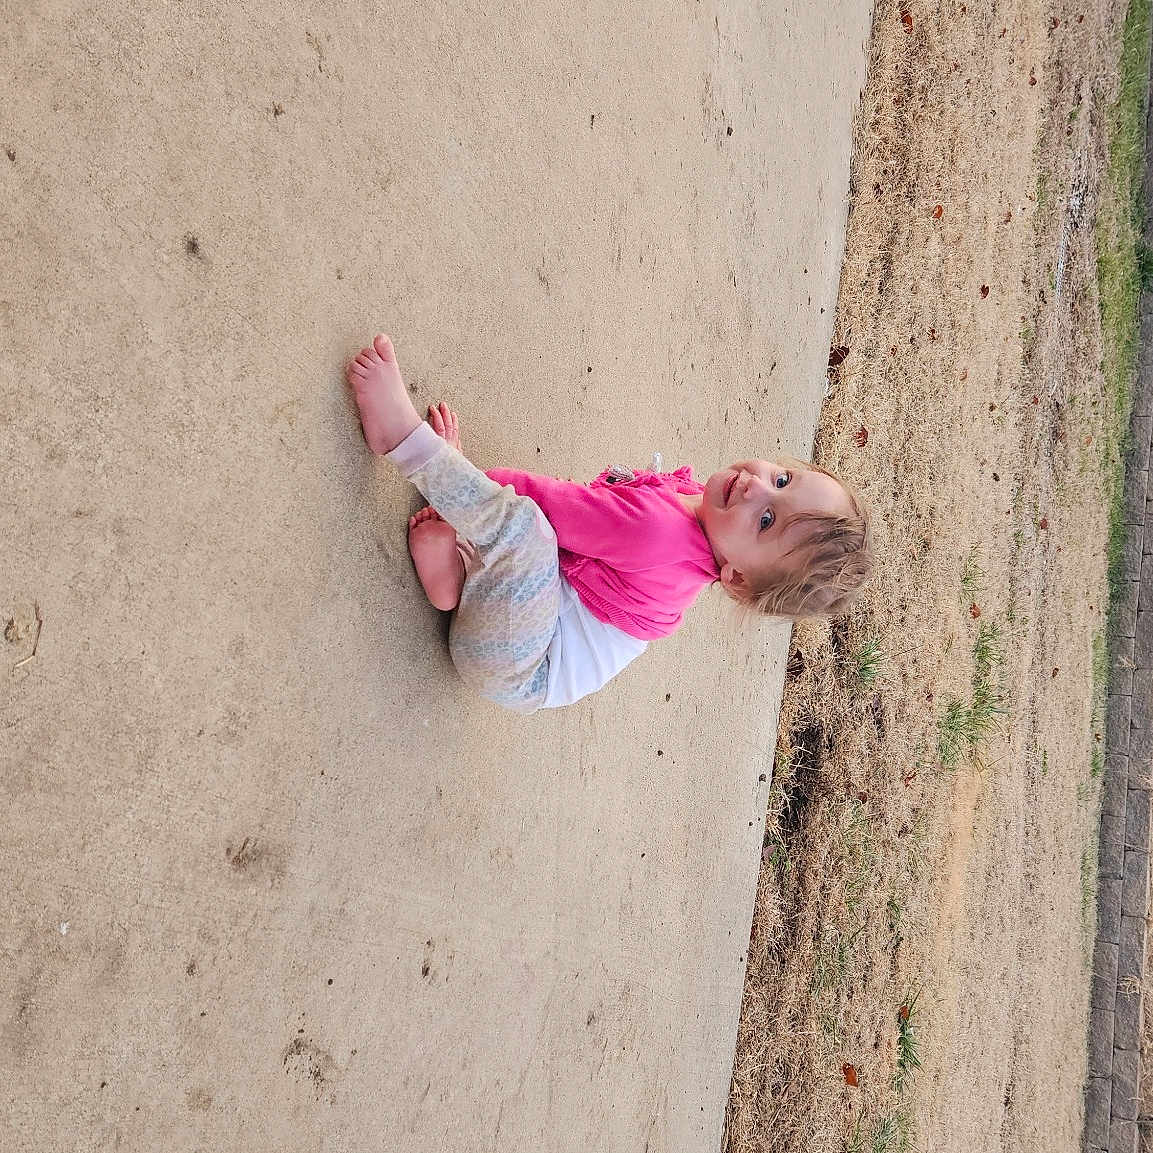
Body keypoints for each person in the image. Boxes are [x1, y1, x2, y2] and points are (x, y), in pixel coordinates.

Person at [346, 333, 872, 713]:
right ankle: (456, 581)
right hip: (521, 628)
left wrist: (454, 472)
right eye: (781, 481)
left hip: (516, 663)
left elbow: (550, 508)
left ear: (734, 576)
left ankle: (400, 438)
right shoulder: (699, 511)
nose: (756, 488)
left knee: (525, 534)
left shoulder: (659, 535)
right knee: (523, 543)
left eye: (765, 521)